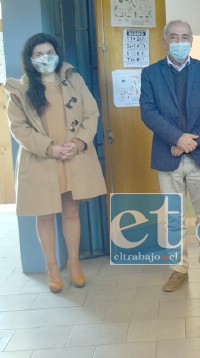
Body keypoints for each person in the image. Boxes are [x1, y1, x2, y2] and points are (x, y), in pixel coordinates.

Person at [5, 33, 107, 293]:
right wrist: (50, 148)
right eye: (38, 54)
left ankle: (74, 264)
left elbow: (91, 112)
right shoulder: (20, 89)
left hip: (73, 156)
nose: (45, 58)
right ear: (30, 58)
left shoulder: (74, 79)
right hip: (41, 160)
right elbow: (19, 128)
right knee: (45, 214)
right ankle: (52, 266)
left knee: (72, 211)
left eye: (49, 52)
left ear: (57, 53)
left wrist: (80, 142)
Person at [140, 20, 200, 292]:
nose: (179, 41)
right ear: (165, 40)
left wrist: (189, 141)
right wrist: (177, 138)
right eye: (174, 37)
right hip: (168, 155)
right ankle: (179, 269)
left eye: (184, 36)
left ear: (192, 39)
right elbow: (149, 112)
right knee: (173, 217)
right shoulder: (150, 74)